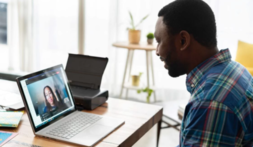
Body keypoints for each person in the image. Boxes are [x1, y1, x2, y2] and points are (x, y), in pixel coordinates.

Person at [155, 0, 253, 146]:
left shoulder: (210, 102)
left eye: (159, 41)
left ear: (183, 41)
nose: (157, 51)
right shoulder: (236, 70)